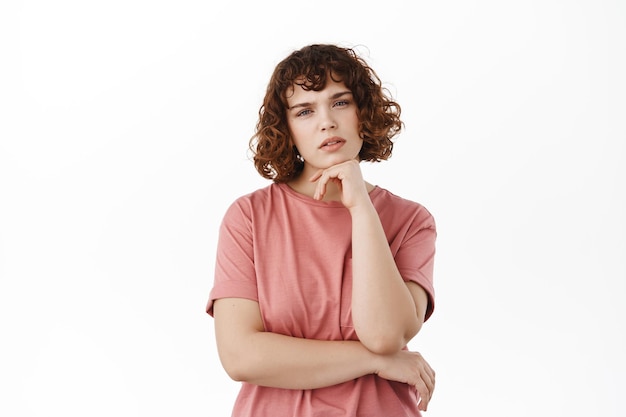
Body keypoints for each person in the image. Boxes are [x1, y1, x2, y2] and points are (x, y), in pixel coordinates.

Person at [206, 43, 437, 417]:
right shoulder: (249, 216)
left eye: (341, 102)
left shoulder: (411, 221)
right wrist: (374, 362)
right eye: (305, 111)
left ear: (364, 111)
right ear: (288, 129)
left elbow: (384, 335)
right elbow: (241, 357)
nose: (327, 121)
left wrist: (360, 207)